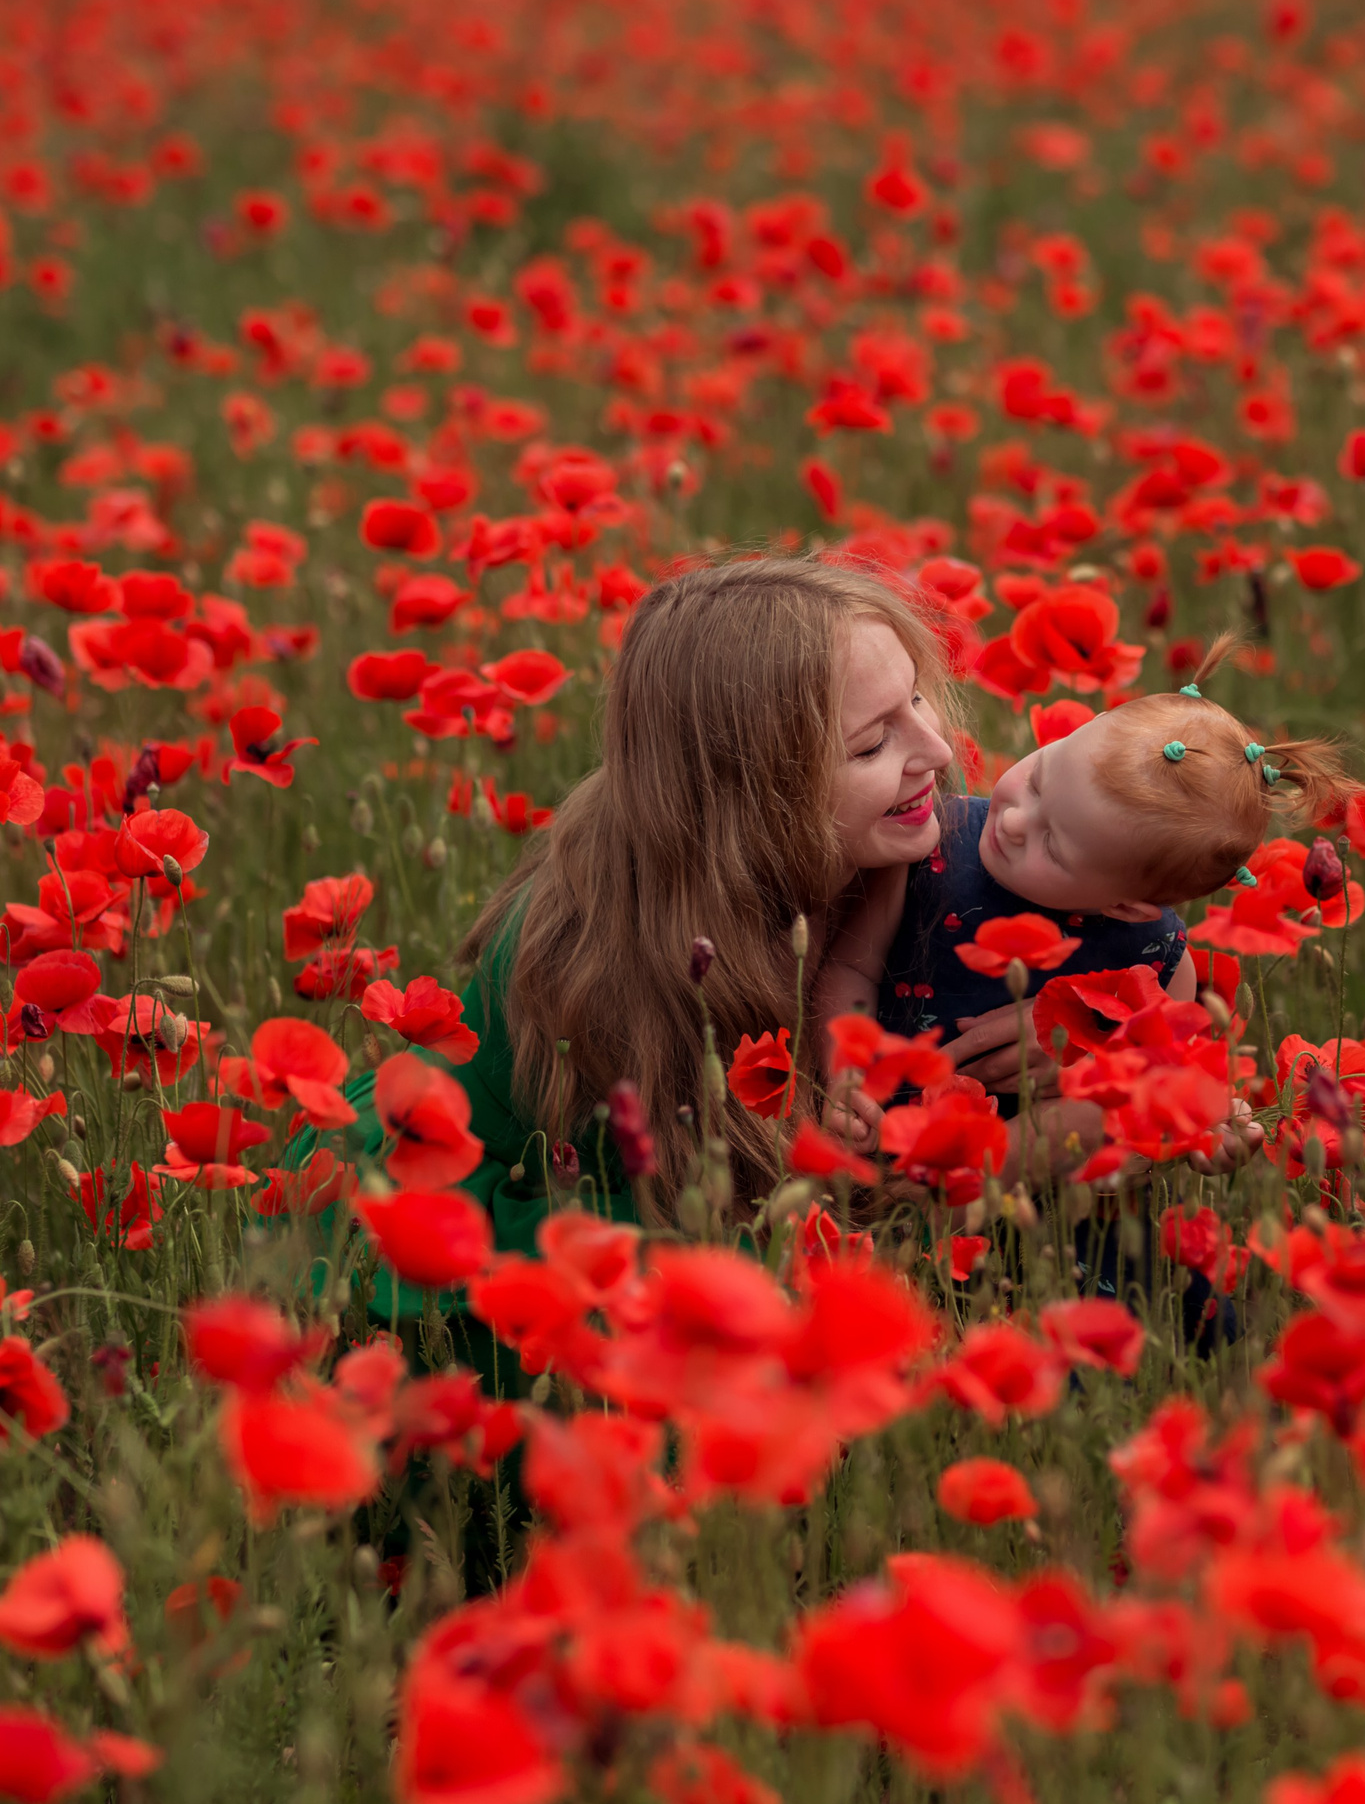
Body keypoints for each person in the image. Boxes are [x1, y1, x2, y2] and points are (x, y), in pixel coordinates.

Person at [284, 555, 1258, 1334]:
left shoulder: (922, 862)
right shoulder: (624, 953)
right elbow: (726, 1225)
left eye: (917, 702)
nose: (931, 750)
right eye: (871, 745)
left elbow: (1143, 998)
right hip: (509, 1216)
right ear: (753, 801)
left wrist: (1086, 1054)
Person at [817, 635, 1354, 1121]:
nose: (1012, 819)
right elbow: (850, 969)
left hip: (1048, 1188)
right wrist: (848, 1075)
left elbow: (1153, 1081)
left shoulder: (1154, 961)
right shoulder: (934, 843)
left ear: (1126, 907)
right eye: (1039, 776)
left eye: (1052, 843)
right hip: (894, 1125)